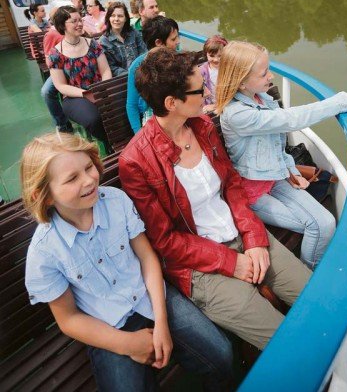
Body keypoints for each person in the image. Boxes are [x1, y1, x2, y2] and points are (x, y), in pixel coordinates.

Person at [119, 49, 311, 351]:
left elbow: (232, 186)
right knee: (288, 343)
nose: (208, 92)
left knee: (315, 298)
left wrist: (255, 238)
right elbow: (165, 241)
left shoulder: (203, 126)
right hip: (198, 265)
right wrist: (230, 261)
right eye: (199, 90)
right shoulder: (137, 161)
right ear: (172, 103)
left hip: (241, 235)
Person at [22, 133, 233, 392]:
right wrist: (127, 344)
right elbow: (69, 319)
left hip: (152, 298)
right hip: (108, 326)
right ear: (45, 196)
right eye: (72, 178)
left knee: (221, 355)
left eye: (88, 167)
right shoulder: (44, 253)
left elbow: (146, 257)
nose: (89, 180)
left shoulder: (115, 201)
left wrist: (162, 322)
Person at [216, 41, 347, 269]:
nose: (271, 76)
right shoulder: (237, 115)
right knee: (320, 226)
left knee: (326, 221)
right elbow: (292, 119)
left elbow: (275, 143)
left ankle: (313, 266)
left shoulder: (261, 98)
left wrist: (290, 168)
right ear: (242, 81)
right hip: (251, 192)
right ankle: (312, 273)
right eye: (264, 73)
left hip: (273, 178)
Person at [48, 6, 111, 141]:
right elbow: (60, 85)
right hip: (74, 97)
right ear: (62, 25)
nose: (80, 24)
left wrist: (103, 88)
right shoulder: (55, 53)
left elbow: (105, 70)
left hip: (99, 89)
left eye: (80, 20)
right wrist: (85, 93)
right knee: (94, 119)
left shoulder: (92, 44)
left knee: (120, 108)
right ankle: (111, 142)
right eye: (74, 21)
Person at [126, 16, 180, 133]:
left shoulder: (177, 59)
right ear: (159, 43)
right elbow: (132, 105)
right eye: (174, 39)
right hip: (154, 116)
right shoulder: (138, 66)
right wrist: (138, 134)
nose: (178, 42)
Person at [40, 6, 73, 133]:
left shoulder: (77, 28)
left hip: (79, 66)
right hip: (61, 69)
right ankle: (62, 123)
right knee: (46, 92)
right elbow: (49, 60)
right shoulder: (51, 34)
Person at [100, 2, 146, 77]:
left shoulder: (134, 33)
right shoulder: (104, 41)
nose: (116, 19)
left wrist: (140, 70)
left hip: (142, 73)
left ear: (125, 19)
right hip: (122, 80)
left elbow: (143, 53)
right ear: (108, 18)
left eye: (120, 16)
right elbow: (111, 68)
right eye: (112, 16)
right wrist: (131, 75)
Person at [199, 35, 228, 115]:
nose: (216, 59)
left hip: (227, 101)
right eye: (211, 56)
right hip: (210, 102)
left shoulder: (229, 68)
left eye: (220, 56)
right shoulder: (202, 70)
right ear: (206, 54)